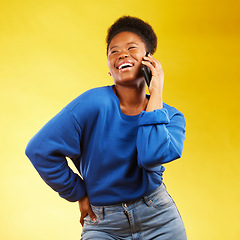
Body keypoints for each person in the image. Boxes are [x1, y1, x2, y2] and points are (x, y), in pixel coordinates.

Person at [25, 16, 187, 240]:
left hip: (159, 218)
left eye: (132, 48)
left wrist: (156, 92)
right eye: (113, 52)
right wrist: (78, 192)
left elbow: (151, 156)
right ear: (110, 69)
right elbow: (39, 149)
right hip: (103, 223)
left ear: (150, 61)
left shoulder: (172, 117)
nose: (122, 54)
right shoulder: (92, 103)